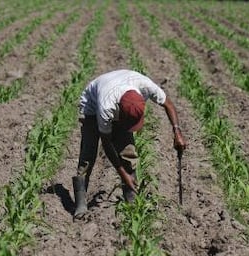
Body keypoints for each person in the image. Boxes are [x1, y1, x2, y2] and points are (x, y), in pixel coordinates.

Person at [72, 69, 187, 220]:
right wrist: (122, 174)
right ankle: (80, 204)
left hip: (120, 94)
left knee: (128, 152)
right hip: (91, 108)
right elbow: (106, 144)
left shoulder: (146, 87)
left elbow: (168, 105)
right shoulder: (106, 106)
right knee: (89, 153)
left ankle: (131, 201)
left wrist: (177, 131)